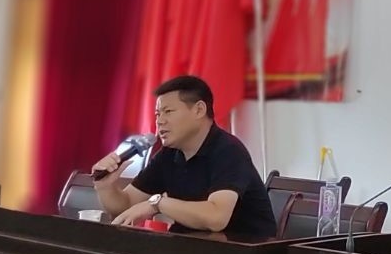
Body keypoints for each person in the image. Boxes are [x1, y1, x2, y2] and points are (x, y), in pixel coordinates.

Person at [91, 75, 276, 238]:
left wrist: (157, 204)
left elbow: (216, 217)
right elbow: (125, 206)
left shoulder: (229, 150)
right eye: (157, 114)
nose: (160, 121)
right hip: (191, 249)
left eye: (168, 112)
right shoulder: (169, 154)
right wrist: (106, 187)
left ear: (199, 110)